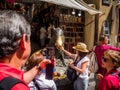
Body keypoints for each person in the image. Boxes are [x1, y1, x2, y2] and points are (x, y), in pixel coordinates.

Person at [0, 10, 40, 90]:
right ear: (23, 41)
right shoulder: (18, 87)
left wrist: (40, 67)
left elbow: (16, 79)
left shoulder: (7, 77)